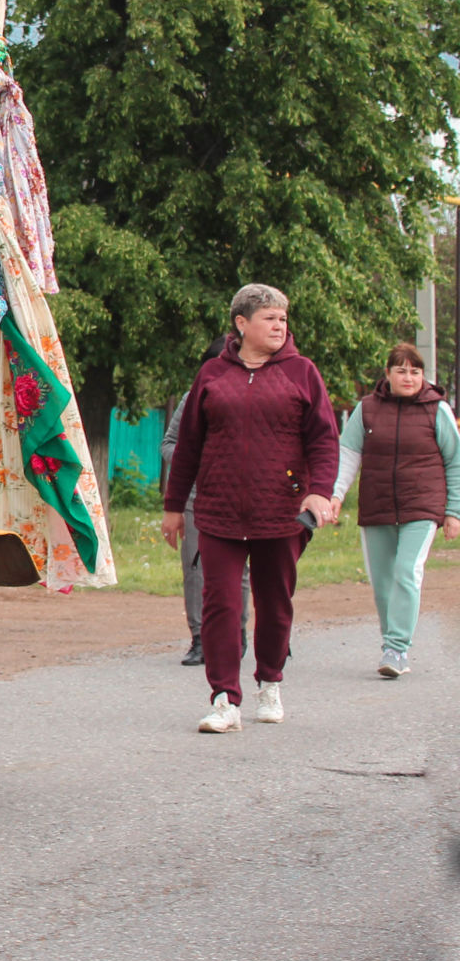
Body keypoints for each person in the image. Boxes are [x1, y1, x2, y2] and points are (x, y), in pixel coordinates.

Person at [163, 284, 337, 734]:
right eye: (270, 319)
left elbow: (323, 440)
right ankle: (224, 699)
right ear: (241, 324)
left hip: (281, 511)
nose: (280, 326)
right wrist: (174, 506)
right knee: (219, 603)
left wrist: (318, 491)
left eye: (283, 319)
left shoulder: (302, 373)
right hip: (217, 510)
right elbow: (188, 447)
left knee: (275, 603)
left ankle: (269, 681)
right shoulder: (212, 376)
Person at [327, 342, 460, 678]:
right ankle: (391, 643)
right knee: (383, 581)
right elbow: (349, 453)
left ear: (423, 376)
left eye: (415, 371)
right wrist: (336, 494)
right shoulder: (368, 409)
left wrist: (454, 511)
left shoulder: (437, 410)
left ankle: (397, 648)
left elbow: (455, 461)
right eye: (401, 370)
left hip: (423, 505)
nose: (408, 377)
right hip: (378, 505)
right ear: (387, 374)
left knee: (406, 571)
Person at [163, 334, 250, 667]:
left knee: (238, 571)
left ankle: (237, 632)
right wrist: (194, 461)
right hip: (196, 496)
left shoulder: (256, 395)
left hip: (240, 497)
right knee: (195, 568)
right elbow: (169, 444)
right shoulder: (191, 399)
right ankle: (200, 639)